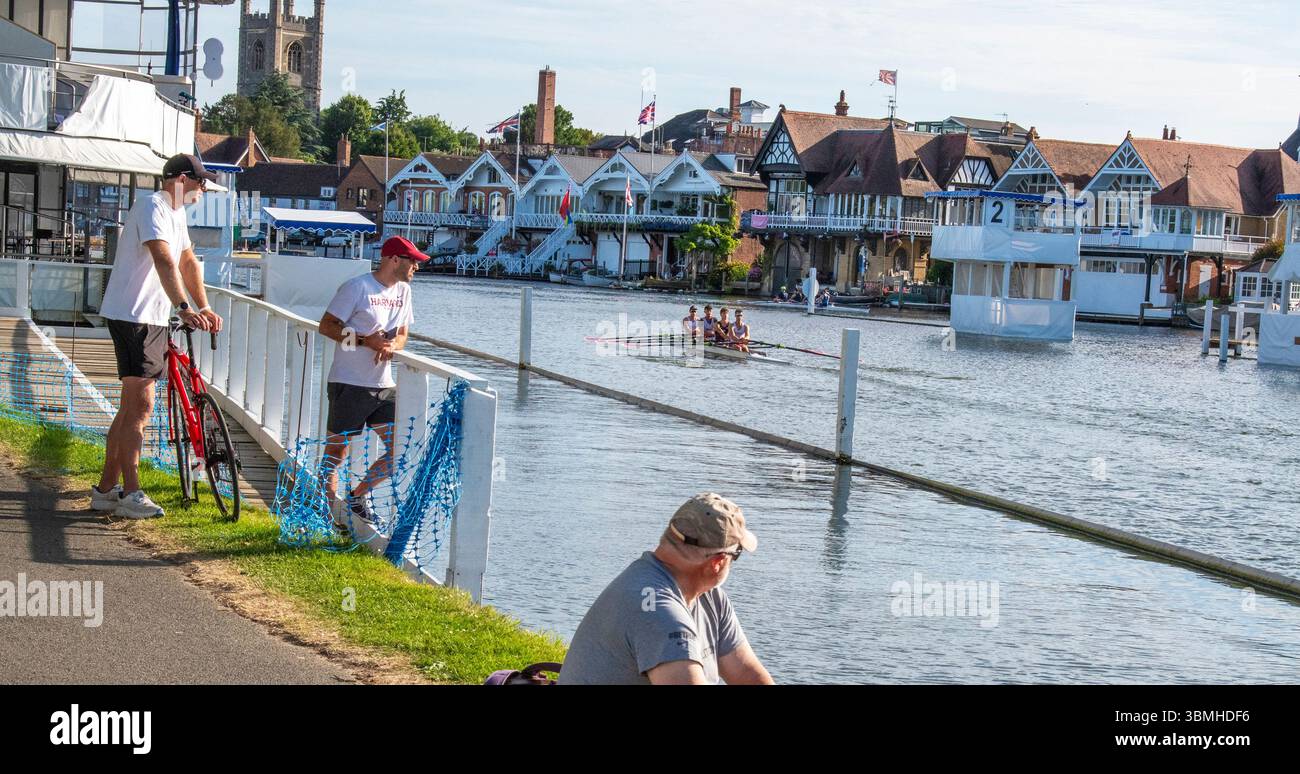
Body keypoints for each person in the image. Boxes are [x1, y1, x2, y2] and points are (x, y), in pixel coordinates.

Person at [93, 154, 222, 519]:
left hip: (149, 317)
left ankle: (105, 490)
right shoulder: (152, 206)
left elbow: (187, 262)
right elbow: (164, 260)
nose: (204, 190)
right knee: (142, 407)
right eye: (201, 182)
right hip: (133, 316)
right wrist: (183, 308)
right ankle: (131, 493)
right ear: (181, 179)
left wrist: (204, 306)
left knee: (129, 408)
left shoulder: (176, 214)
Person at [559, 493, 773, 685]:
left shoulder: (710, 598)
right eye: (737, 554)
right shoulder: (658, 612)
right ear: (718, 562)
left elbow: (746, 673)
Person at [317, 236, 427, 526]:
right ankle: (324, 514)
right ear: (394, 259)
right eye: (413, 261)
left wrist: (391, 346)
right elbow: (326, 326)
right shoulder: (357, 287)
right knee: (337, 452)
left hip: (384, 386)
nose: (416, 267)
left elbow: (402, 334)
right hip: (349, 382)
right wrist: (366, 340)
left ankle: (357, 497)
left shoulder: (404, 291)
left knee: (401, 448)